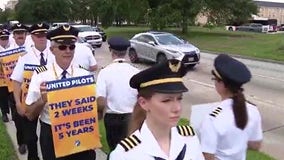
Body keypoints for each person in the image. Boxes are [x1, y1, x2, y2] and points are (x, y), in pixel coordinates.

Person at [25, 25, 96, 160]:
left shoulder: (84, 74)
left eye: (72, 47)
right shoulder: (41, 76)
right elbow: (29, 114)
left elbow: (94, 109)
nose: (68, 51)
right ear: (52, 50)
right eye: (62, 47)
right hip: (52, 133)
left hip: (80, 132)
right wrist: (43, 99)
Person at [109, 59, 205, 160]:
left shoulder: (189, 139)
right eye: (167, 100)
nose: (177, 108)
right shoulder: (124, 155)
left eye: (179, 99)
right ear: (143, 103)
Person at [199, 54, 263, 160]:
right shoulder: (253, 110)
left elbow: (208, 157)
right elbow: (256, 145)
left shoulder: (212, 118)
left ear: (222, 84)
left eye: (215, 79)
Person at [11, 22, 53, 160]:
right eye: (38, 35)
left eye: (44, 34)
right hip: (30, 102)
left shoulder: (55, 55)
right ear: (32, 37)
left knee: (50, 137)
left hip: (50, 104)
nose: (42, 37)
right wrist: (17, 102)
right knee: (30, 137)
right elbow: (16, 81)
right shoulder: (24, 57)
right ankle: (33, 157)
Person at [96, 36, 140, 151]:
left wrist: (99, 112)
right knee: (133, 150)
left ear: (110, 50)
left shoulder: (105, 72)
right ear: (126, 52)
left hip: (113, 119)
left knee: (116, 151)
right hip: (133, 117)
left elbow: (100, 102)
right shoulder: (136, 72)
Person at [7, 23, 30, 155]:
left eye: (23, 32)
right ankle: (22, 142)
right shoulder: (7, 50)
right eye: (17, 33)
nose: (20, 35)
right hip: (13, 88)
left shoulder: (31, 49)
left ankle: (30, 139)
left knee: (30, 117)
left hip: (29, 88)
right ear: (14, 35)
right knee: (18, 117)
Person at [0, 29, 10, 122]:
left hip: (11, 79)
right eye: (2, 39)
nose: (4, 41)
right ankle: (4, 113)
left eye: (6, 38)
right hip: (2, 79)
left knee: (12, 96)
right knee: (2, 96)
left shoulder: (12, 49)